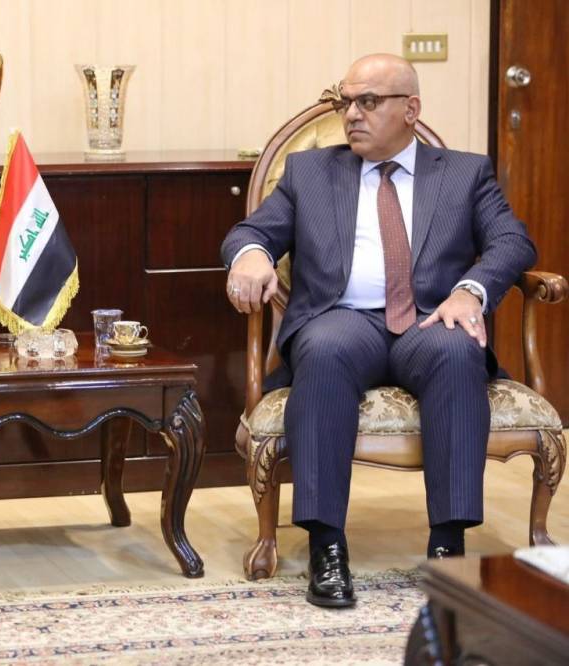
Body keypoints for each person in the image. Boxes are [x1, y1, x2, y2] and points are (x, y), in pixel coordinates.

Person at [220, 54, 536, 608]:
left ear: (411, 109)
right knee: (322, 350)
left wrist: (471, 290)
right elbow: (251, 231)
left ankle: (449, 548)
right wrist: (250, 255)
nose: (351, 115)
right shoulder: (310, 172)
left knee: (458, 350)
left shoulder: (464, 173)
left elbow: (513, 242)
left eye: (368, 102)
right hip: (344, 319)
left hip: (429, 319)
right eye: (347, 102)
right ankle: (326, 547)